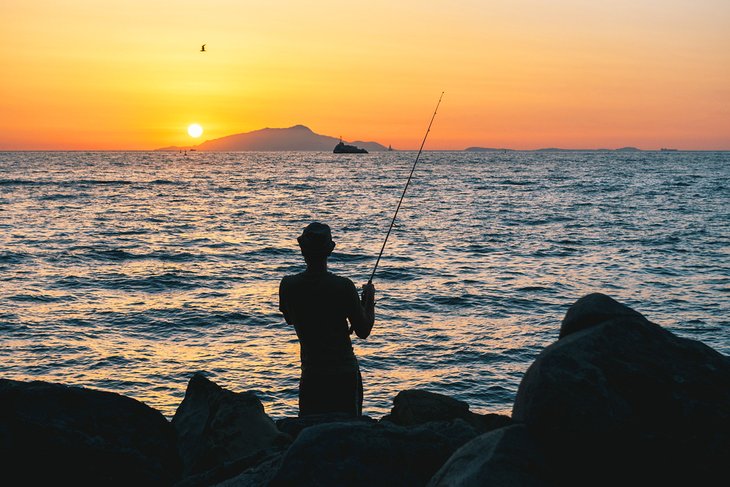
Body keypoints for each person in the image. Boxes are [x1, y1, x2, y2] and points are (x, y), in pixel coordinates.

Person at [279, 222, 375, 417]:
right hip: (344, 374)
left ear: (302, 250)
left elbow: (291, 319)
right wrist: (369, 299)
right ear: (329, 251)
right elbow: (363, 331)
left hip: (312, 375)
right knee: (348, 433)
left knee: (312, 433)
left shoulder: (288, 285)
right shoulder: (344, 286)